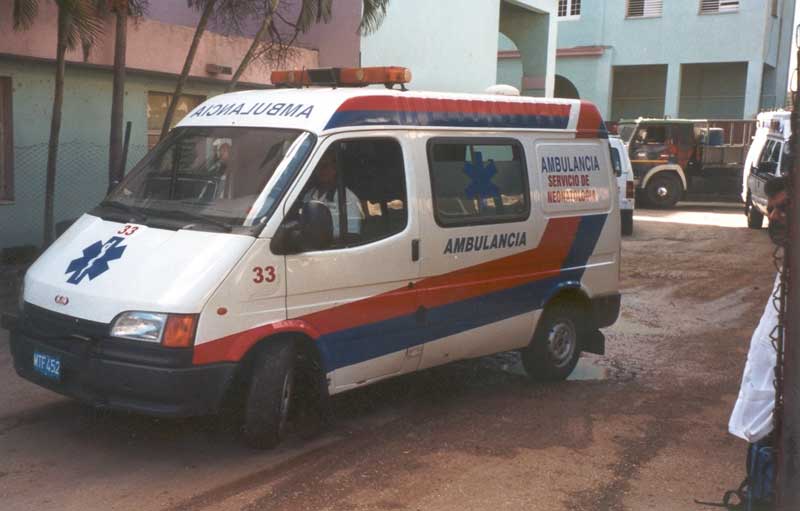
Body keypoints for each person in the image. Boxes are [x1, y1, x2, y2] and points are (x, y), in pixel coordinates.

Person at [729, 175, 788, 443]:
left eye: (784, 209)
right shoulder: (788, 267)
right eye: (772, 209)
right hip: (767, 418)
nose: (773, 216)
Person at [303, 149, 364, 240]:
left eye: (325, 166)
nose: (320, 170)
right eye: (317, 166)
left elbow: (353, 236)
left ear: (335, 169)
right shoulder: (308, 195)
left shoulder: (347, 198)